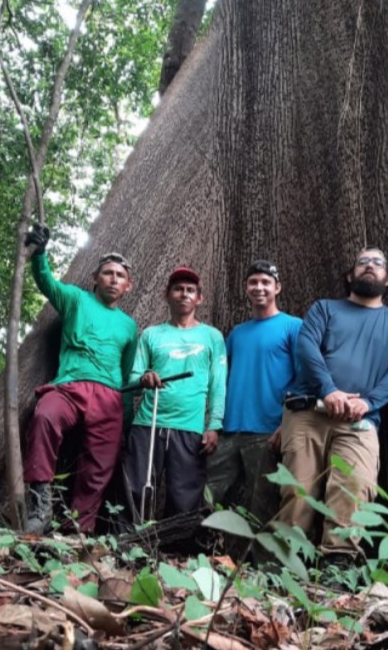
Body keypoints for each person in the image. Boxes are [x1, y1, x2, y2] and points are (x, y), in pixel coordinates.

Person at [278, 247, 388, 563]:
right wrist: (330, 391)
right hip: (309, 412)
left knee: (355, 485)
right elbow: (307, 346)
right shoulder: (325, 309)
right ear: (350, 276)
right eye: (362, 262)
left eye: (377, 263)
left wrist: (368, 402)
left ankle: (338, 561)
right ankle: (288, 560)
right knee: (297, 490)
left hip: (361, 419)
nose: (369, 266)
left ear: (387, 279)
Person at [21, 225, 138, 534]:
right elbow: (47, 283)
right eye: (108, 273)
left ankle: (77, 530)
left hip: (110, 396)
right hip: (69, 385)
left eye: (120, 276)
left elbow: (126, 373)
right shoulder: (76, 299)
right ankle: (39, 505)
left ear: (128, 286)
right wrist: (40, 254)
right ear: (95, 278)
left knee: (100, 465)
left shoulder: (129, 326)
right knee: (44, 417)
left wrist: (125, 418)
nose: (113, 279)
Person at [124, 266, 227, 519]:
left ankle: (179, 551)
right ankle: (127, 546)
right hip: (148, 422)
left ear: (199, 298)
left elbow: (218, 383)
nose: (184, 294)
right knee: (135, 489)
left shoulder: (212, 336)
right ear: (166, 294)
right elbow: (133, 378)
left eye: (190, 290)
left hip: (190, 427)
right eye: (178, 289)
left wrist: (214, 424)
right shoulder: (151, 334)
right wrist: (145, 378)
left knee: (185, 496)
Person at [206, 260, 302, 523]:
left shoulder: (293, 327)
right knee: (206, 494)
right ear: (246, 288)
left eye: (265, 282)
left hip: (267, 431)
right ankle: (196, 552)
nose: (259, 287)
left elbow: (304, 377)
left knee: (264, 503)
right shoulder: (237, 333)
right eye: (253, 282)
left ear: (277, 288)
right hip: (229, 430)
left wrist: (286, 425)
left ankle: (266, 564)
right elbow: (220, 378)